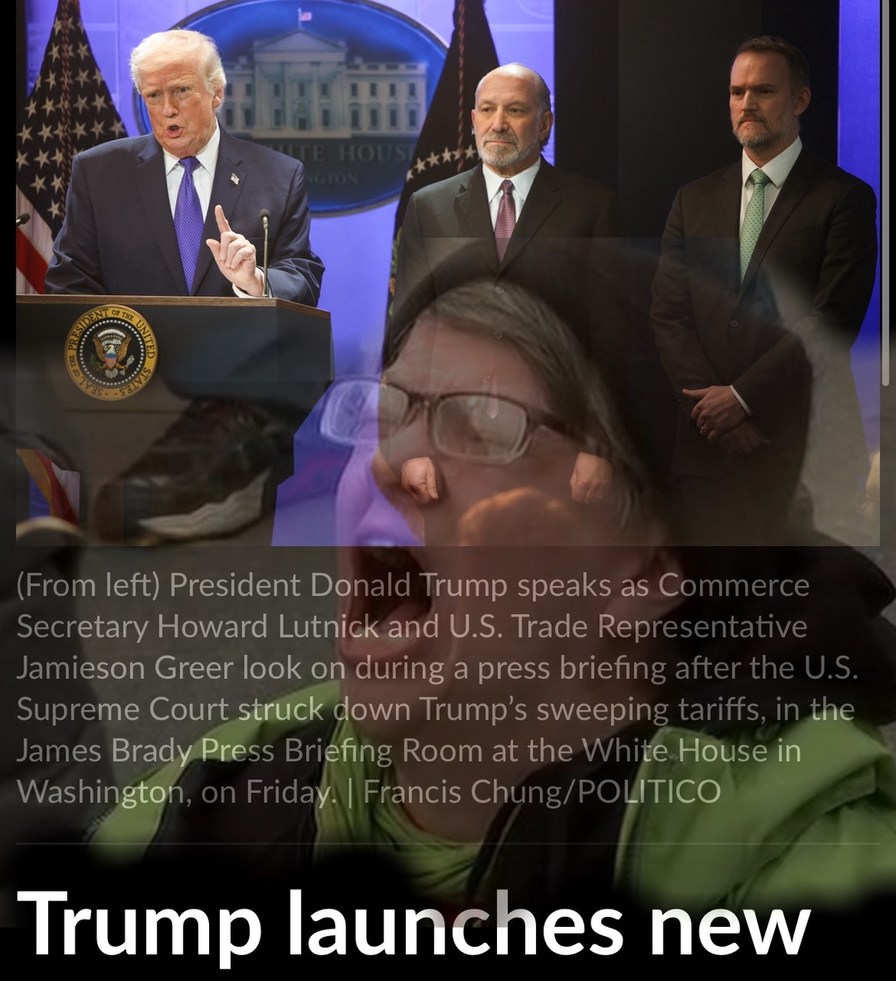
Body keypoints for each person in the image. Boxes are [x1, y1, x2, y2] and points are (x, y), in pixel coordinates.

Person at [91, 278, 896, 911]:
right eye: (386, 409)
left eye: (482, 422)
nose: (386, 461)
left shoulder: (797, 856)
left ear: (646, 574)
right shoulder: (209, 802)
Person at [650, 35, 877, 546]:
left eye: (763, 91)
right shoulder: (693, 199)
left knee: (802, 619)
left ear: (800, 100)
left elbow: (832, 317)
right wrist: (715, 413)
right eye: (736, 92)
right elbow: (669, 315)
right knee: (712, 615)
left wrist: (743, 398)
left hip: (806, 449)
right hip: (705, 453)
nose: (746, 104)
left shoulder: (845, 199)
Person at [44, 28, 324, 303]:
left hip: (239, 347)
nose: (168, 109)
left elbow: (302, 276)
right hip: (133, 346)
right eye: (154, 95)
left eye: (181, 90)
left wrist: (257, 281)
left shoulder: (280, 176)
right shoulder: (98, 174)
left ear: (216, 93)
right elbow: (69, 279)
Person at [390, 62, 623, 349]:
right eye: (487, 109)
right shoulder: (427, 207)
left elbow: (610, 330)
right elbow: (410, 325)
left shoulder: (592, 207)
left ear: (544, 124)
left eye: (515, 110)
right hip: (455, 391)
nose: (498, 124)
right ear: (474, 120)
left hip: (554, 390)